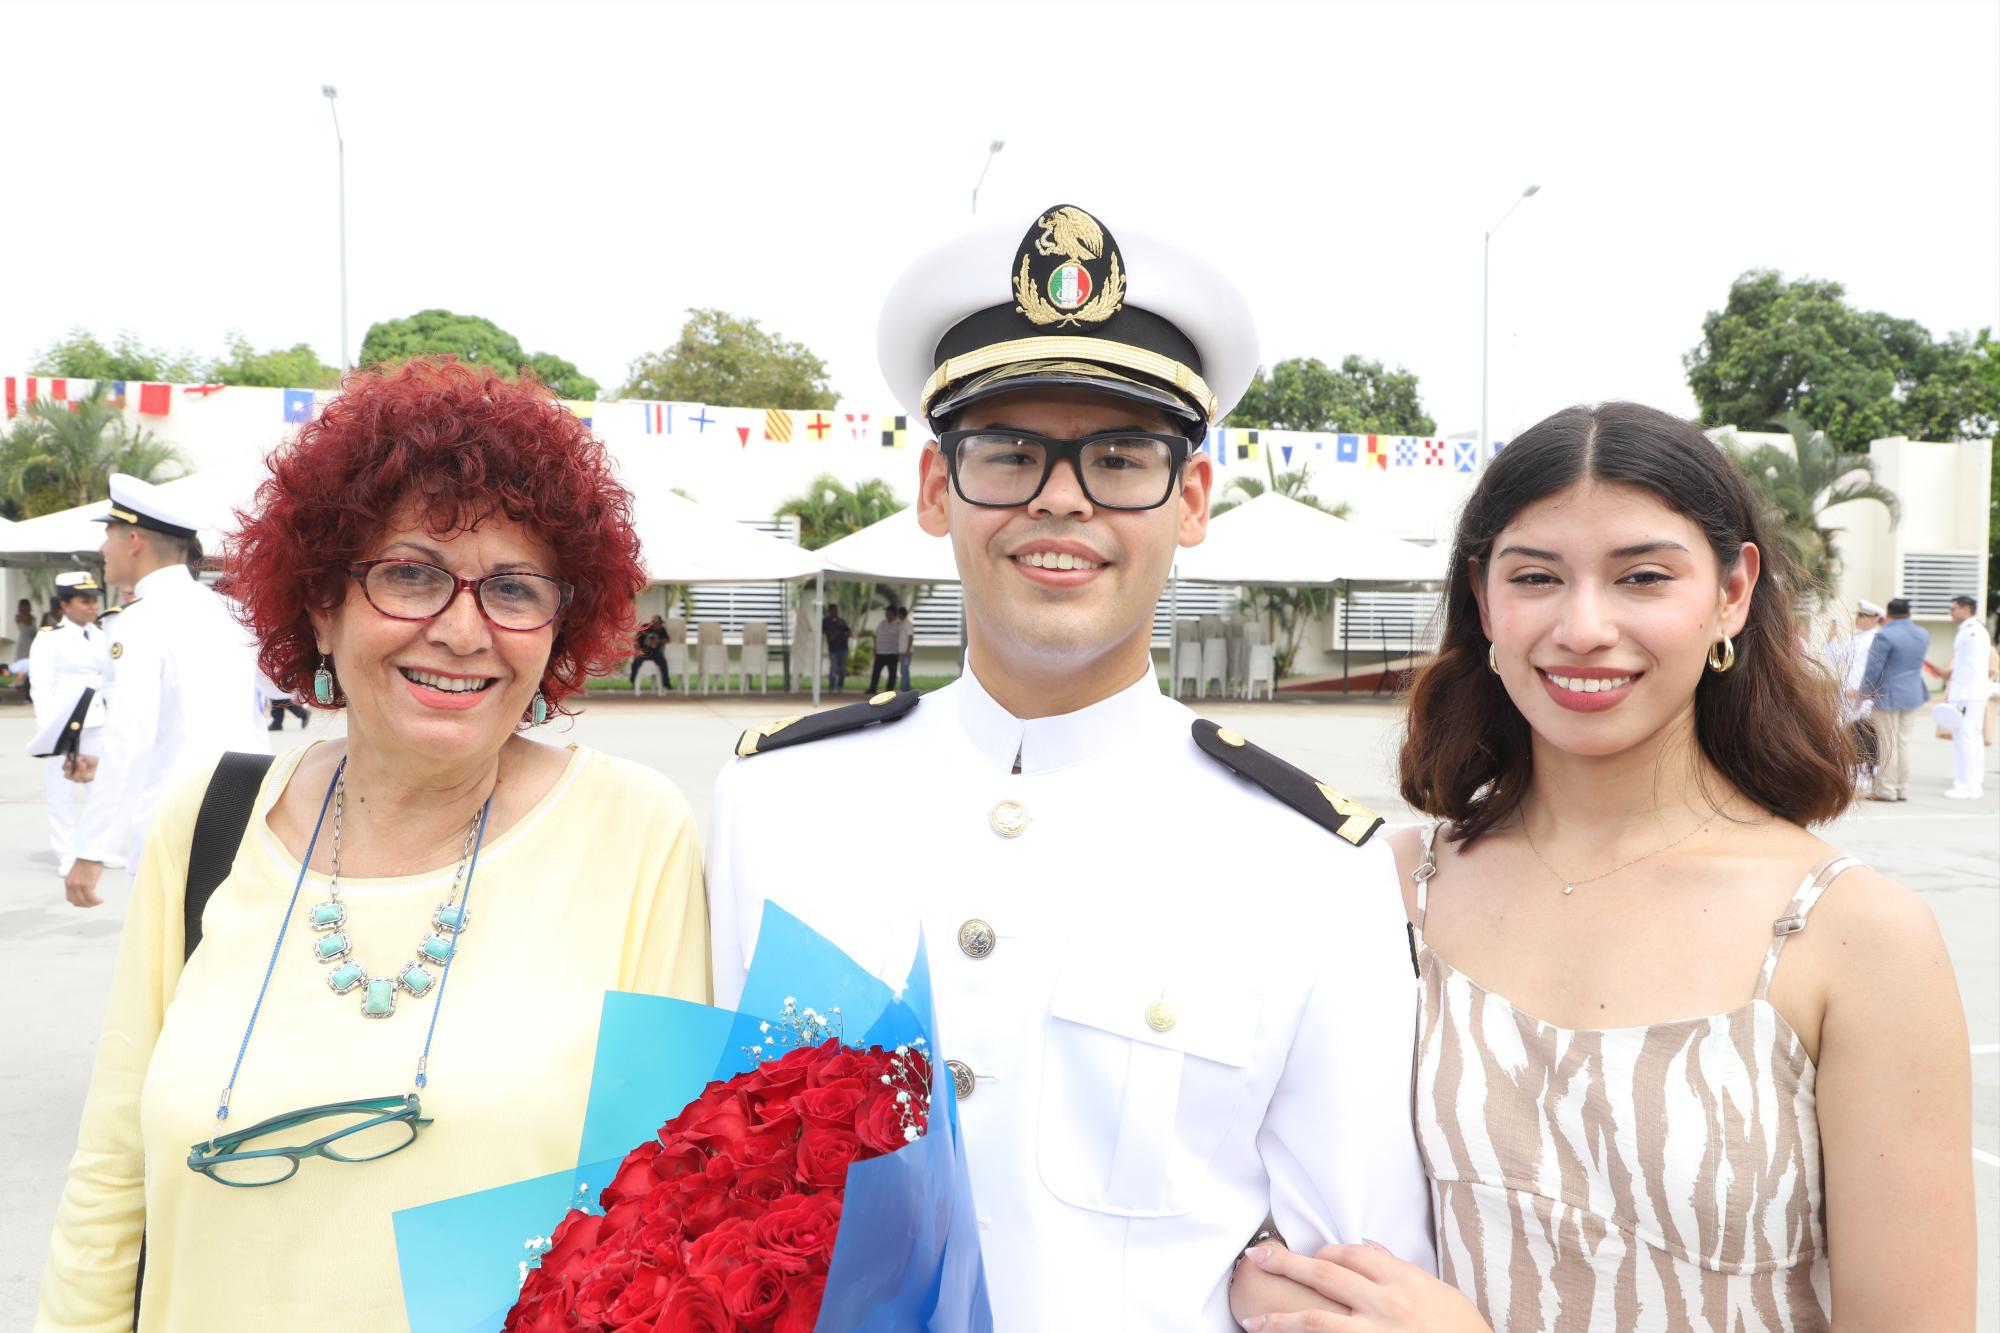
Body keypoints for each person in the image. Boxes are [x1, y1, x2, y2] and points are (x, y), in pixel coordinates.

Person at [708, 203, 1431, 1326]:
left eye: (1119, 459)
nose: (1060, 496)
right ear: (935, 488)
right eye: (1008, 453)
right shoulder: (776, 802)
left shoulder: (1312, 865)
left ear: (1191, 501)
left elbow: (1356, 1281)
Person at [1231, 403, 1974, 1332]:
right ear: (1484, 599)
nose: (1583, 627)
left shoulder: (1854, 934)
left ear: (1732, 592)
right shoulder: (1381, 891)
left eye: (1643, 577)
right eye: (1535, 576)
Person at [37, 360, 711, 1331]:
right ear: (322, 602)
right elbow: (111, 1180)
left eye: (514, 588)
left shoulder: (635, 833)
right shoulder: (210, 821)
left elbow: (667, 1223)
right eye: (410, 574)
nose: (462, 630)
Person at [61, 476, 272, 908]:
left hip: (178, 817)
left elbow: (130, 738)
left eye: (109, 535)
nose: (103, 548)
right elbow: (278, 688)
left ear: (134, 540)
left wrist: (92, 848)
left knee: (165, 949)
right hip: (248, 805)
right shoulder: (230, 610)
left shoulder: (139, 621)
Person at [27, 572, 108, 879]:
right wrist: (49, 732)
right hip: (62, 725)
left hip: (97, 721)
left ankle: (96, 848)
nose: (92, 606)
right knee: (60, 791)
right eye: (84, 601)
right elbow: (41, 687)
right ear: (64, 604)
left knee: (100, 788)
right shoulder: (49, 637)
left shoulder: (101, 634)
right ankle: (66, 852)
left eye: (94, 600)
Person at [1859, 597, 1929, 802]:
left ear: (1888, 614)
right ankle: (1901, 788)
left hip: (1888, 695)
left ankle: (1886, 790)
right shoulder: (1922, 634)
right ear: (1908, 613)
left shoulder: (1884, 636)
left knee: (1887, 744)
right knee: (1903, 743)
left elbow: (1873, 669)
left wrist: (1863, 693)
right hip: (1913, 693)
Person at [1938, 593, 1992, 798]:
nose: (1951, 612)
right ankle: (1972, 783)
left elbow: (1971, 668)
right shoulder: (1970, 630)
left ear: (1966, 609)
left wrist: (1957, 696)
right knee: (1971, 737)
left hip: (1969, 694)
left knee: (1965, 738)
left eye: (1954, 608)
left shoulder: (1972, 632)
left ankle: (1967, 785)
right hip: (1970, 693)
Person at [1830, 598, 1882, 792]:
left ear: (1874, 619)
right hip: (1847, 694)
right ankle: (1852, 771)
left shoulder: (1877, 639)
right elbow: (1837, 659)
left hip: (1863, 695)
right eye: (1858, 615)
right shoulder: (1855, 638)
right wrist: (1832, 639)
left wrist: (1862, 692)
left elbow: (1874, 670)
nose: (1858, 619)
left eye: (1862, 616)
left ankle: (1867, 772)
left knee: (1864, 734)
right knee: (1847, 734)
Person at [630, 613, 672, 689]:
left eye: (660, 623)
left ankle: (666, 683)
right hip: (644, 651)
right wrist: (637, 650)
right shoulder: (645, 627)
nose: (660, 625)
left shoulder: (662, 629)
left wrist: (658, 641)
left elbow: (668, 640)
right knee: (636, 662)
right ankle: (633, 681)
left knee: (663, 662)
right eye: (658, 623)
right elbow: (635, 639)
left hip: (656, 652)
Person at [867, 603, 902, 693]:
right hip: (880, 652)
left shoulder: (899, 624)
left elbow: (902, 639)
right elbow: (875, 635)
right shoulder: (882, 623)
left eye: (888, 612)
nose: (886, 614)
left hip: (892, 653)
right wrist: (875, 648)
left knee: (892, 674)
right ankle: (872, 688)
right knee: (876, 672)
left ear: (893, 613)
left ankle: (889, 691)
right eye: (886, 612)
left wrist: (899, 652)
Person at [821, 604, 850, 692]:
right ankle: (831, 686)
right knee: (833, 668)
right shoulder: (826, 621)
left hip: (843, 648)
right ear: (830, 611)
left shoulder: (841, 621)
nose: (836, 611)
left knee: (842, 669)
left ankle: (840, 686)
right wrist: (830, 634)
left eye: (837, 610)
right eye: (834, 610)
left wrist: (847, 634)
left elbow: (848, 630)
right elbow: (822, 630)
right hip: (833, 649)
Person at [15, 594, 42, 663]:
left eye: (26, 606)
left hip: (31, 642)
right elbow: (24, 624)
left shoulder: (33, 618)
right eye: (23, 606)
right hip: (22, 642)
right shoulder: (18, 617)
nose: (25, 608)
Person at [896, 603, 916, 690]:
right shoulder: (901, 624)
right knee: (903, 670)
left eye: (898, 613)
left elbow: (910, 637)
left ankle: (904, 688)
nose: (897, 615)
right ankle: (906, 687)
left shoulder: (908, 624)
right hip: (901, 651)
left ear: (901, 614)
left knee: (904, 670)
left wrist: (908, 650)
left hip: (906, 652)